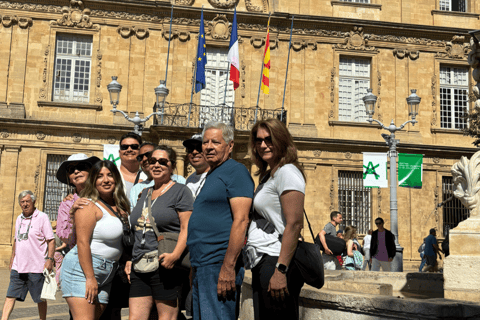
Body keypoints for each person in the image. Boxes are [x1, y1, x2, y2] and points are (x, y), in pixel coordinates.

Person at [187, 121, 254, 320]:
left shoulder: (236, 171)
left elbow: (242, 220)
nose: (208, 147)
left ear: (230, 145)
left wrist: (227, 267)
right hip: (202, 266)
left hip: (218, 264)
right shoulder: (212, 174)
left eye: (215, 142)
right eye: (205, 142)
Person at [244, 118, 305, 320]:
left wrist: (280, 271)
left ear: (281, 140)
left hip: (277, 260)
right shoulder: (270, 175)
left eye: (269, 139)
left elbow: (295, 224)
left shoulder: (288, 172)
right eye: (258, 140)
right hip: (264, 260)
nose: (263, 145)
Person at [125, 145, 194, 320]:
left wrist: (175, 255)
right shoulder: (144, 192)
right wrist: (129, 259)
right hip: (139, 263)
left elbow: (187, 227)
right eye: (152, 161)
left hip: (165, 263)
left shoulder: (180, 191)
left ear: (172, 166)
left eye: (163, 162)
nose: (156, 165)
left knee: (166, 318)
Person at [61, 161, 128, 320]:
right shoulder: (87, 205)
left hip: (108, 273)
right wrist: (90, 278)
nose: (105, 180)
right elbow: (82, 243)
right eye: (99, 176)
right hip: (83, 272)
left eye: (110, 175)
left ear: (117, 179)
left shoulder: (121, 207)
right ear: (93, 181)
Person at [1, 190, 55, 320]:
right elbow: (16, 239)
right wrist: (13, 257)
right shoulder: (18, 218)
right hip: (18, 266)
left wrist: (50, 259)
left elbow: (51, 240)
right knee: (10, 296)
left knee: (39, 299)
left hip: (36, 267)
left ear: (34, 202)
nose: (25, 204)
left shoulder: (42, 217)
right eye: (22, 202)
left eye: (27, 201)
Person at [56, 154, 101, 252]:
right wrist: (72, 213)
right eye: (71, 170)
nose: (76, 171)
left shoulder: (104, 196)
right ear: (69, 177)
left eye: (81, 167)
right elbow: (65, 237)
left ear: (91, 171)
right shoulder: (66, 204)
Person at [130, 142, 186, 211]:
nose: (144, 159)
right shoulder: (135, 189)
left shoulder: (179, 181)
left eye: (148, 155)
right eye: (140, 157)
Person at [118, 132, 147, 196]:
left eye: (134, 147)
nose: (129, 149)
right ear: (119, 152)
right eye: (124, 147)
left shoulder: (148, 177)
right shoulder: (111, 174)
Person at [183, 133, 210, 198]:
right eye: (190, 149)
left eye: (199, 148)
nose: (194, 152)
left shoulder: (219, 178)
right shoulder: (190, 180)